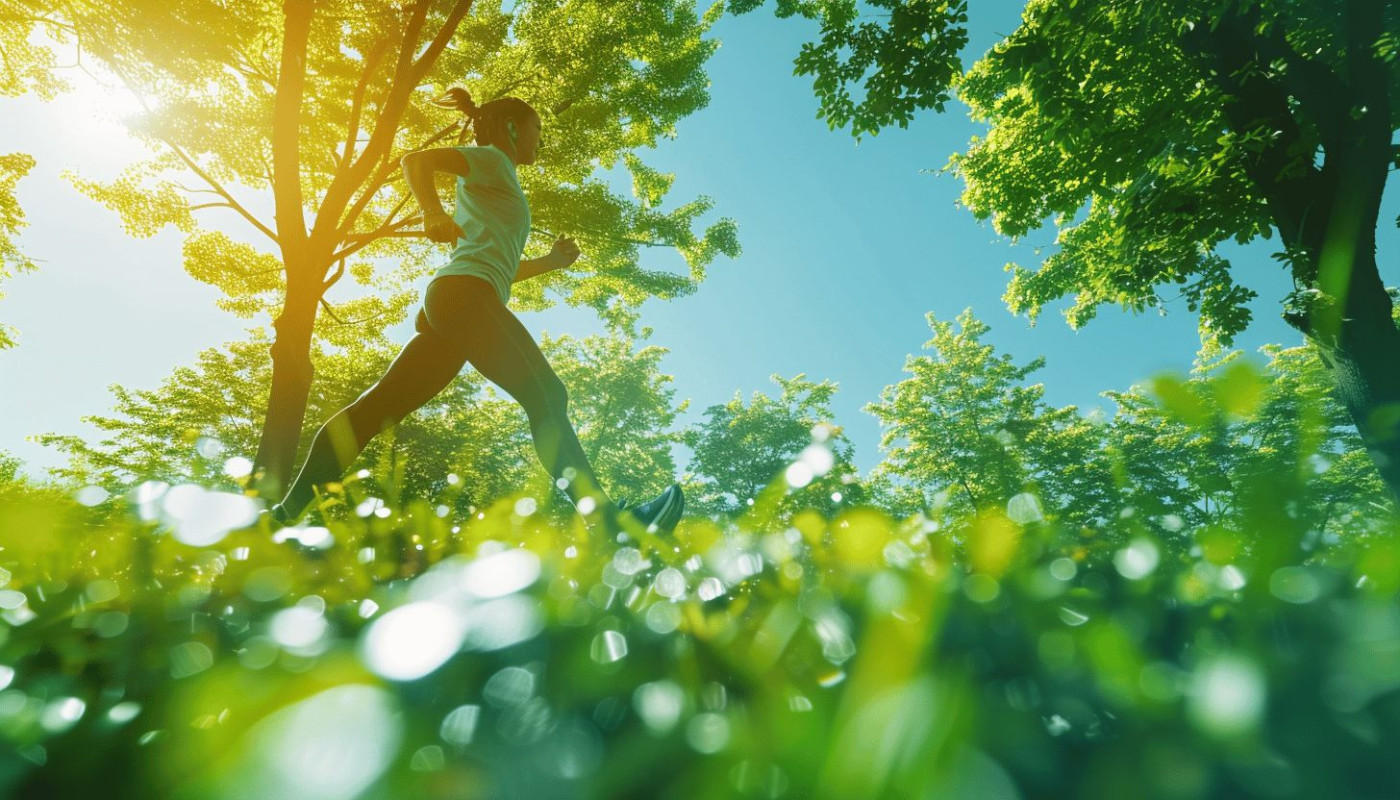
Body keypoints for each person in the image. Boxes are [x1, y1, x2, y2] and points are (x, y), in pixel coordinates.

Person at [266, 87, 683, 537]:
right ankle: (608, 523)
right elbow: (416, 161)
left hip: (462, 299)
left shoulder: (500, 179)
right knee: (547, 396)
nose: (541, 139)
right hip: (463, 296)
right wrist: (431, 212)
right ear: (511, 127)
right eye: (537, 128)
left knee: (374, 412)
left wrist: (550, 262)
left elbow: (500, 267)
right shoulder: (494, 160)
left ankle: (281, 517)